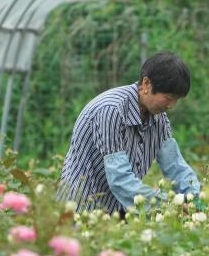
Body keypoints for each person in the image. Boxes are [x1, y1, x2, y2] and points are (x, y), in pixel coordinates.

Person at [58, 51, 200, 214]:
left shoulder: (159, 119)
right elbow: (119, 179)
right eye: (168, 98)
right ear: (146, 84)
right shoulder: (111, 111)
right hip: (81, 210)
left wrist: (195, 200)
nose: (172, 105)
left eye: (176, 100)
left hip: (119, 212)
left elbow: (174, 164)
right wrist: (165, 206)